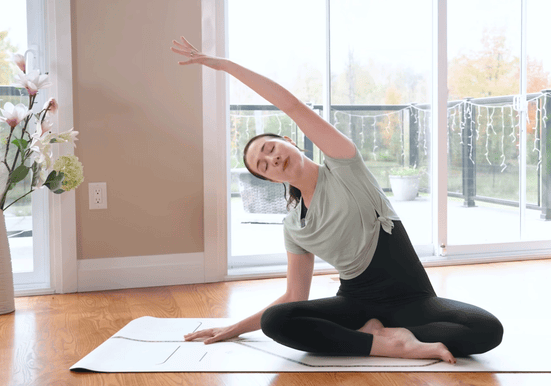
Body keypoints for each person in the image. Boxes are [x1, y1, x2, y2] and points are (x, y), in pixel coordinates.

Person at [171, 37, 503, 363]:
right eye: (262, 166)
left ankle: (378, 333)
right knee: (278, 321)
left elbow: (291, 105)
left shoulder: (343, 164)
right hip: (355, 303)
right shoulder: (295, 227)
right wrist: (234, 328)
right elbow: (293, 296)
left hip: (413, 299)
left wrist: (225, 66)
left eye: (271, 148)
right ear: (269, 179)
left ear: (288, 140)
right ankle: (388, 343)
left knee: (487, 330)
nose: (271, 160)